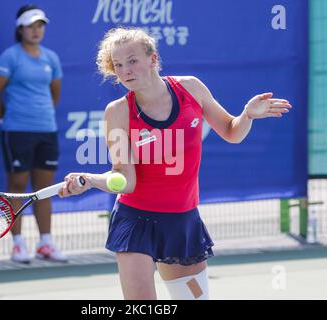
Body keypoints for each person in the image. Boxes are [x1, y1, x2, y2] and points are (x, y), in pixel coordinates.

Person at [59, 27, 292, 299]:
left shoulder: (191, 88)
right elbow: (125, 179)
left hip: (183, 223)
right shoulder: (118, 111)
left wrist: (247, 115)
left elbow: (231, 131)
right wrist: (90, 180)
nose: (126, 71)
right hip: (136, 223)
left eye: (133, 61)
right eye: (119, 65)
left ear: (153, 59)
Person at [0, 5, 67, 263]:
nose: (36, 30)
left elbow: (54, 94)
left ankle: (45, 243)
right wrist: (5, 119)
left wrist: (40, 115)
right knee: (18, 188)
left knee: (43, 189)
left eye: (40, 25)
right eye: (31, 26)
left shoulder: (50, 58)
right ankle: (18, 244)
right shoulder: (10, 57)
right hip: (17, 131)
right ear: (20, 28)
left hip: (47, 131)